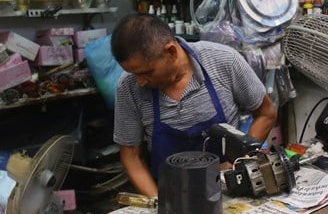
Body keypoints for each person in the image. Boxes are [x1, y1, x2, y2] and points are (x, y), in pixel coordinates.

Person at [111, 13, 277, 198]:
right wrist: (159, 203)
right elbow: (131, 156)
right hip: (170, 195)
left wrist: (239, 162)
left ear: (171, 52)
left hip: (229, 191)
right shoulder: (128, 87)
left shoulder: (224, 61)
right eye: (133, 73)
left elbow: (266, 113)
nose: (140, 82)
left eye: (147, 72)